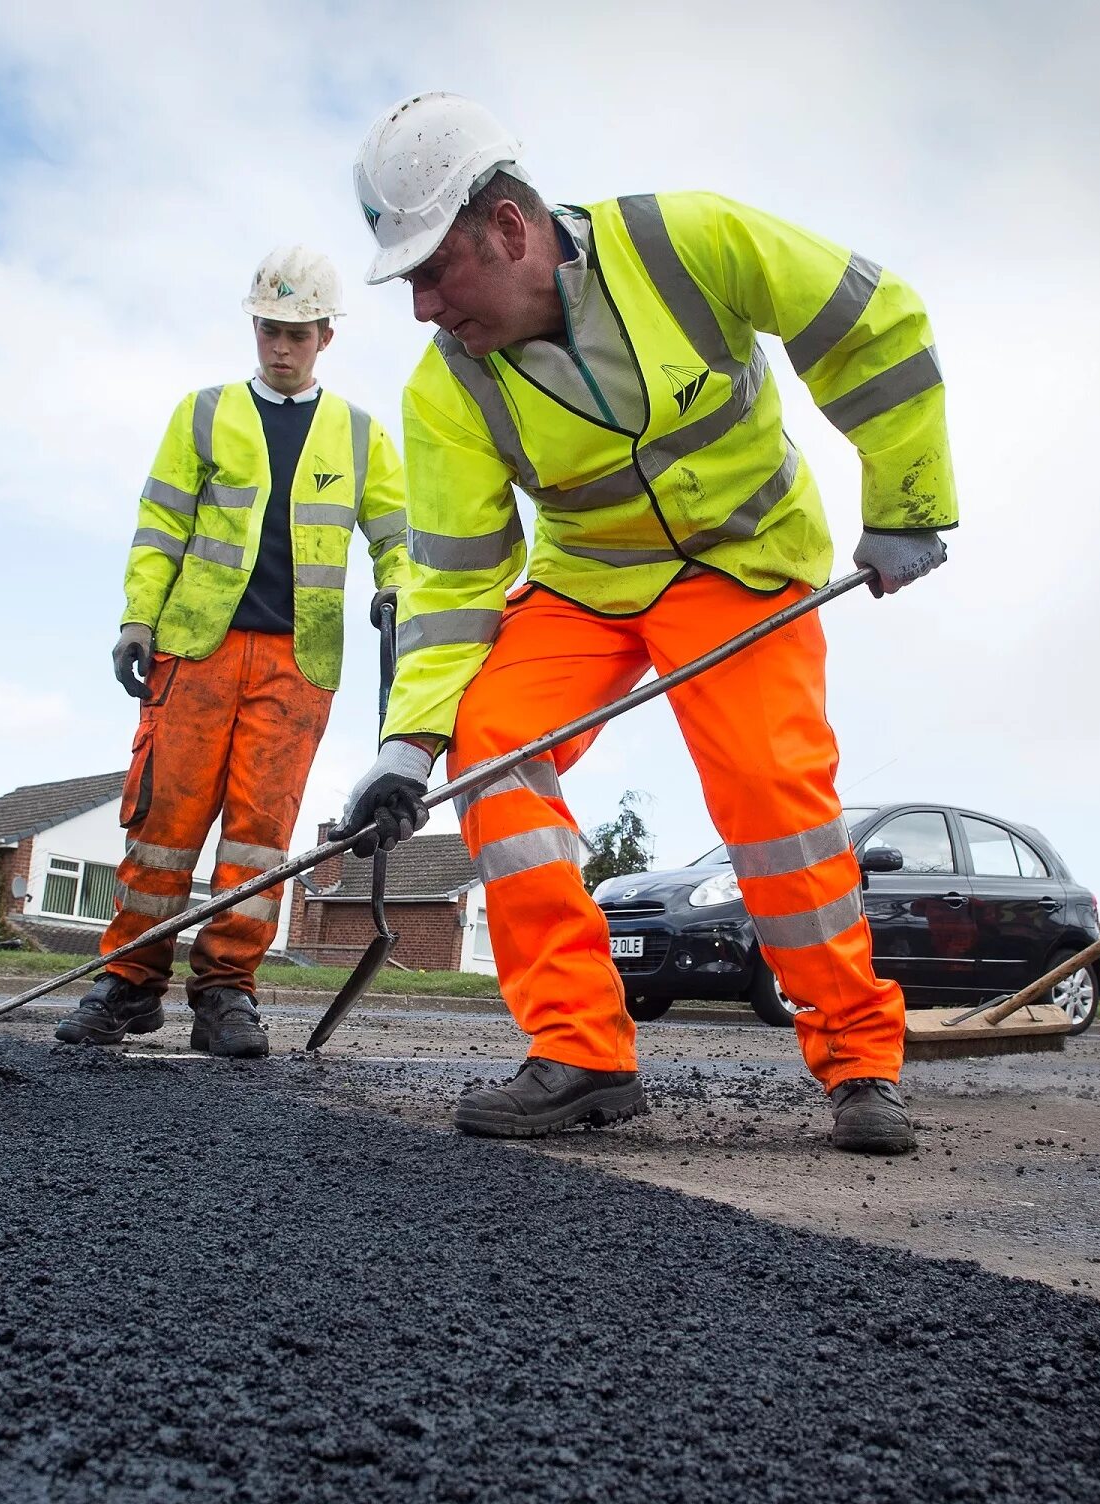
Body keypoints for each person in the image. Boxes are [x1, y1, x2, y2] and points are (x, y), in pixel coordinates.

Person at [338, 94, 957, 1153]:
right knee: (492, 745)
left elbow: (874, 324)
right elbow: (452, 581)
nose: (425, 307)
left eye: (435, 271)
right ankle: (581, 1049)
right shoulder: (449, 391)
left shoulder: (686, 243)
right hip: (589, 581)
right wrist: (407, 746)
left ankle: (858, 1059)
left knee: (772, 797)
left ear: (510, 228)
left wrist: (906, 502)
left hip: (743, 563)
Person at [56, 247, 409, 1057]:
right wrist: (138, 618)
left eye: (296, 332)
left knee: (258, 838)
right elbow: (160, 525)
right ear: (254, 327)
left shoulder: (359, 435)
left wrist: (396, 588)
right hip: (196, 651)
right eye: (268, 330)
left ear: (325, 335)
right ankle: (130, 981)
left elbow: (399, 534)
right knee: (163, 825)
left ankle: (225, 990)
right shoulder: (203, 413)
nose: (280, 346)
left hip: (297, 663)